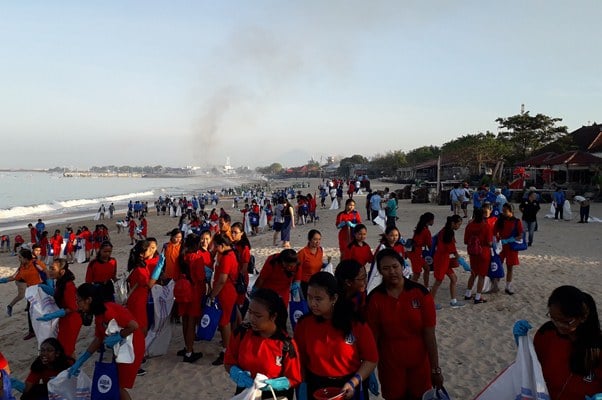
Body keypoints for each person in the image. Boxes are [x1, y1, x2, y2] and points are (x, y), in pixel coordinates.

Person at [366, 248, 443, 399]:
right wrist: (369, 370)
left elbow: (429, 334)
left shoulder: (421, 293)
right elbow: (372, 338)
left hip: (420, 364)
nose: (392, 272)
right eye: (386, 268)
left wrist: (435, 370)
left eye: (395, 266)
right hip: (390, 365)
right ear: (380, 272)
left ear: (402, 266)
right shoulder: (374, 299)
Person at [294, 272, 377, 400]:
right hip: (316, 386)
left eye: (318, 299)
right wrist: (303, 384)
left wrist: (354, 381)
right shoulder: (304, 324)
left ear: (334, 298)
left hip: (348, 386)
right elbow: (301, 359)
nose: (312, 303)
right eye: (309, 297)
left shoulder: (355, 323)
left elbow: (371, 359)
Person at [514, 285, 602, 398]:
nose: (558, 325)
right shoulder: (547, 333)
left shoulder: (597, 346)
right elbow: (533, 365)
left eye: (565, 321)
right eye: (553, 318)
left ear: (583, 317)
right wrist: (522, 343)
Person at [69, 283, 145, 400]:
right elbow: (99, 338)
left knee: (118, 385)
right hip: (120, 348)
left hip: (132, 346)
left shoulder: (108, 311)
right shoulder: (99, 315)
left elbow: (134, 326)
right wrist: (82, 359)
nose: (77, 305)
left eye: (78, 301)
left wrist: (119, 336)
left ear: (88, 300)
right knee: (116, 383)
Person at [224, 288, 302, 400]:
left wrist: (275, 384)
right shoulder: (241, 333)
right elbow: (228, 361)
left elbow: (294, 379)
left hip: (275, 396)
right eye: (250, 312)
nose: (252, 318)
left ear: (273, 316)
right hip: (246, 393)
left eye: (258, 316)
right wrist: (237, 373)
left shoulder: (286, 345)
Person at [36, 258, 82, 357]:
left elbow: (72, 308)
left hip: (71, 321)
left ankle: (71, 368)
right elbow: (59, 295)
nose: (49, 271)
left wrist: (53, 315)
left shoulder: (69, 286)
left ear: (62, 271)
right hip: (65, 319)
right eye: (49, 268)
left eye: (53, 269)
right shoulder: (60, 281)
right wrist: (46, 289)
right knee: (64, 347)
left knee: (67, 349)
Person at [176, 233, 210, 363]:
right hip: (194, 292)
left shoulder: (182, 257)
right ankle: (189, 352)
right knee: (191, 322)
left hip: (182, 290)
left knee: (185, 320)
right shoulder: (196, 258)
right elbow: (201, 277)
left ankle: (186, 347)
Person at [207, 233, 240, 366]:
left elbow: (222, 280)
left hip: (226, 292)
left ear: (221, 245)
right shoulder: (230, 254)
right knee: (227, 320)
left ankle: (226, 350)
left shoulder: (227, 257)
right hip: (228, 291)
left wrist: (213, 294)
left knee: (224, 321)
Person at [0, 248, 45, 340]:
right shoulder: (22, 267)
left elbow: (46, 273)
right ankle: (32, 331)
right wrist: (2, 280)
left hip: (41, 289)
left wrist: (49, 287)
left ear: (25, 258)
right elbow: (14, 277)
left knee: (43, 309)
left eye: (20, 257)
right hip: (31, 292)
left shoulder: (36, 264)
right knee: (30, 311)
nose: (18, 259)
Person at [430, 215, 465, 310]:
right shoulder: (448, 233)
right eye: (458, 224)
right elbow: (453, 250)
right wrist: (462, 262)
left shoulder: (444, 230)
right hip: (442, 260)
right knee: (438, 282)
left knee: (453, 278)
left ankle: (453, 301)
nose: (459, 226)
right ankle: (430, 303)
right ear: (453, 223)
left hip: (444, 259)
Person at [463, 208, 493, 304]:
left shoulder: (469, 226)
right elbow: (489, 242)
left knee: (473, 273)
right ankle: (478, 296)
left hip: (473, 253)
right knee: (481, 275)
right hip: (483, 252)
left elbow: (465, 241)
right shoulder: (486, 226)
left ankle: (468, 293)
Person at [493, 203, 524, 295]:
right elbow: (494, 232)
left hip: (511, 247)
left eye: (505, 211)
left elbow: (521, 235)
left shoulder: (517, 221)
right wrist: (496, 242)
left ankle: (508, 286)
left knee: (510, 267)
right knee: (498, 265)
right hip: (501, 246)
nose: (503, 213)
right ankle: (496, 284)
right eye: (503, 211)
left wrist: (511, 239)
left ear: (511, 211)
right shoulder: (500, 220)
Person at [408, 212, 434, 288]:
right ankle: (410, 289)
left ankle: (426, 287)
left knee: (426, 268)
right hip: (416, 253)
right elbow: (429, 244)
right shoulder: (426, 231)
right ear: (429, 220)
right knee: (417, 273)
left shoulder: (420, 228)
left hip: (415, 251)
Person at [297, 229, 324, 298]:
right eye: (315, 239)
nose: (317, 242)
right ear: (309, 239)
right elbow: (297, 269)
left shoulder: (320, 250)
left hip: (317, 283)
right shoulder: (302, 253)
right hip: (305, 284)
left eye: (319, 239)